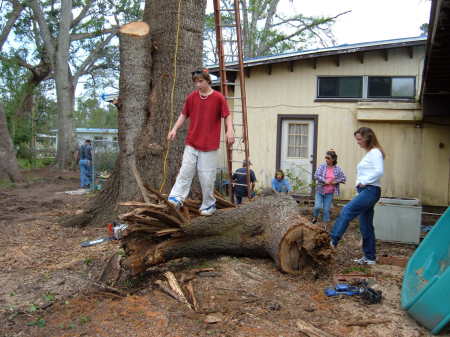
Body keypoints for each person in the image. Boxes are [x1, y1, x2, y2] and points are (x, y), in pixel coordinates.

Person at [167, 68, 234, 216]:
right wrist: (174, 129)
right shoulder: (192, 97)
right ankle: (176, 198)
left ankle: (208, 205)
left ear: (208, 80)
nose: (198, 85)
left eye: (201, 81)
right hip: (192, 142)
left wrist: (230, 130)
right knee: (185, 171)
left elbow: (227, 115)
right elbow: (183, 115)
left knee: (207, 177)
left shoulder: (218, 98)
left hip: (209, 145)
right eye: (196, 82)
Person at [330, 127, 385, 265]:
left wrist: (364, 182)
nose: (358, 142)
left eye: (359, 139)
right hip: (366, 191)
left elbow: (379, 171)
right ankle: (370, 257)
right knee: (365, 225)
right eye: (357, 139)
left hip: (370, 190)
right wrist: (359, 188)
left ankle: (332, 241)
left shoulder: (375, 152)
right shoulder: (370, 153)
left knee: (346, 211)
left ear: (368, 138)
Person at [312, 150, 346, 224]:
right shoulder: (322, 166)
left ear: (333, 159)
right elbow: (316, 175)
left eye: (328, 158)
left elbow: (343, 178)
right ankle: (315, 216)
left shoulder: (337, 169)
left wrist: (335, 181)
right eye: (326, 157)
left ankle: (325, 224)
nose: (326, 159)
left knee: (326, 210)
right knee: (317, 207)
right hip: (320, 191)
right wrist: (324, 181)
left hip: (329, 193)